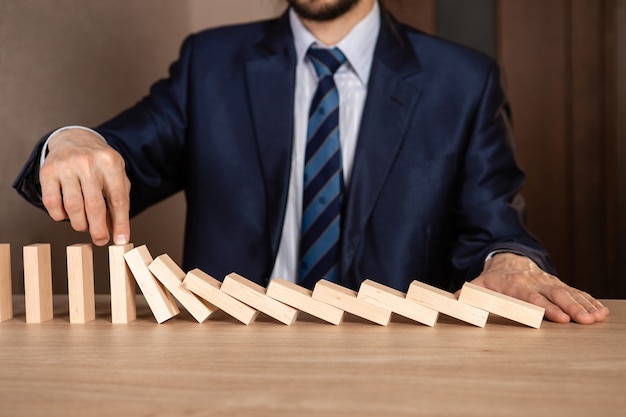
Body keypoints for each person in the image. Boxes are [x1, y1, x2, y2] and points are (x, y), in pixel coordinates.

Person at [14, 0, 608, 324]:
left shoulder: (464, 80)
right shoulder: (209, 63)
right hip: (227, 360)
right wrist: (69, 141)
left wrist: (508, 260)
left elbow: (495, 226)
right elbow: (114, 160)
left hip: (395, 362)